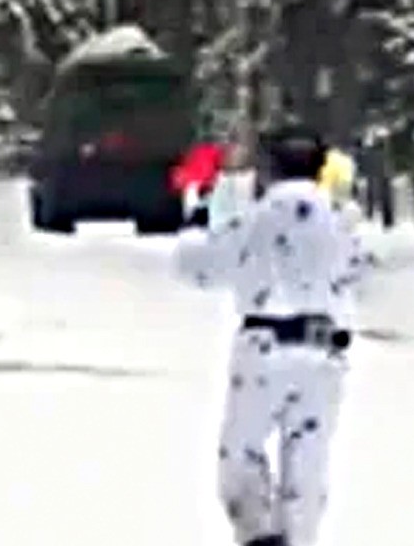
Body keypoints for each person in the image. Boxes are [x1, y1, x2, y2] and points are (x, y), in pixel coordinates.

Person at [175, 126, 363, 546]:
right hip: (324, 352)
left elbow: (198, 266)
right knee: (308, 463)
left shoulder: (257, 218)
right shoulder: (340, 221)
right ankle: (299, 537)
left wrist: (198, 209)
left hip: (264, 349)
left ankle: (259, 534)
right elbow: (356, 269)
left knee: (241, 455)